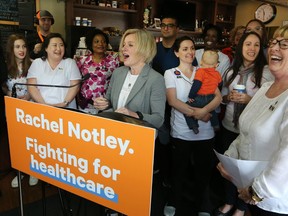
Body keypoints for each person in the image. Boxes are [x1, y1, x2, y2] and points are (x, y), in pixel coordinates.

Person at [217, 25, 288, 216]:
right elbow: (246, 131)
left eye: (285, 44)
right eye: (273, 42)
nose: (274, 48)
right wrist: (230, 156)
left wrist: (256, 192)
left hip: (274, 202)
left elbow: (286, 157)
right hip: (251, 194)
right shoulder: (265, 88)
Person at [164, 36, 222, 216]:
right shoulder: (171, 73)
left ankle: (203, 205)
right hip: (181, 131)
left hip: (205, 133)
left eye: (191, 48)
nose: (189, 52)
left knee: (203, 171)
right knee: (179, 169)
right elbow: (173, 101)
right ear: (176, 53)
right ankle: (173, 201)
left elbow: (218, 97)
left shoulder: (204, 69)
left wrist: (203, 111)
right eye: (184, 49)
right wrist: (197, 113)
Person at [93, 28, 166, 129]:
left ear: (144, 49)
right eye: (123, 45)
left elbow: (158, 120)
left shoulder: (156, 79)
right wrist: (103, 104)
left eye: (130, 45)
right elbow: (109, 102)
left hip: (137, 138)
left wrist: (134, 115)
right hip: (113, 134)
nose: (123, 49)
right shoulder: (118, 73)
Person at [0, 34, 38, 187]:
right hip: (13, 109)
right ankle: (20, 172)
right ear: (11, 49)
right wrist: (10, 94)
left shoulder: (33, 64)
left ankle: (34, 171)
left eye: (23, 46)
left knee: (33, 141)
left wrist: (28, 96)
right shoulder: (5, 66)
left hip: (31, 107)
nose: (21, 50)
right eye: (17, 47)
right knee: (17, 142)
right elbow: (2, 85)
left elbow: (38, 84)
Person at [27, 33, 81, 109]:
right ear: (46, 48)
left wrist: (64, 104)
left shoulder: (70, 63)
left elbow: (75, 86)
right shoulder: (37, 63)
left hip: (65, 109)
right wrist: (44, 105)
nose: (58, 49)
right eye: (54, 45)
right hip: (41, 110)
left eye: (61, 45)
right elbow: (31, 87)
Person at [75, 29, 120, 114]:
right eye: (96, 41)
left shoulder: (113, 62)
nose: (100, 44)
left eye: (103, 41)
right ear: (90, 44)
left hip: (104, 106)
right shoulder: (83, 61)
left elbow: (117, 83)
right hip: (85, 105)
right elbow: (77, 81)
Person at [185, 50, 222, 134]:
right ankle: (215, 125)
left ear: (201, 62)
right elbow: (220, 84)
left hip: (200, 97)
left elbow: (196, 85)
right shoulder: (217, 74)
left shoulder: (200, 71)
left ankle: (193, 125)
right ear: (216, 65)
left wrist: (191, 96)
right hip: (211, 97)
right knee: (212, 110)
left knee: (187, 107)